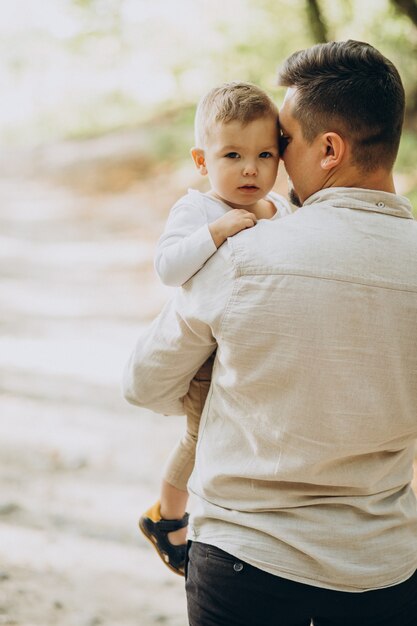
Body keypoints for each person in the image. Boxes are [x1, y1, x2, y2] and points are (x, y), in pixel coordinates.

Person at [123, 39, 417, 626]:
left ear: (328, 149)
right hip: (385, 574)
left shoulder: (244, 254)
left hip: (247, 566)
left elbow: (145, 383)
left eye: (283, 143)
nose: (271, 161)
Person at [138, 81, 291, 576]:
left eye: (265, 153)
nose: (251, 168)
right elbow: (166, 267)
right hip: (208, 354)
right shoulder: (198, 209)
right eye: (233, 155)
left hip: (255, 350)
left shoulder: (280, 208)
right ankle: (166, 515)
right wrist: (215, 232)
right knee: (199, 435)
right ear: (203, 161)